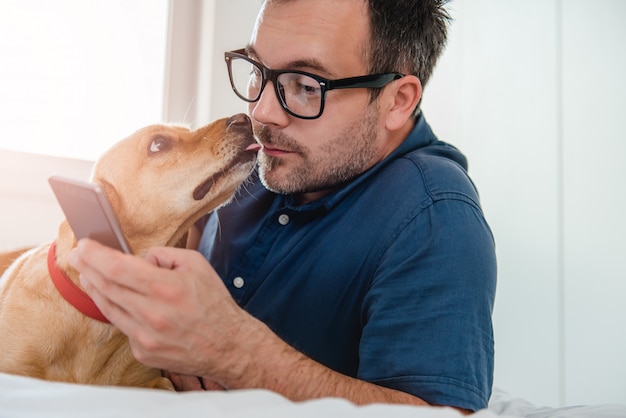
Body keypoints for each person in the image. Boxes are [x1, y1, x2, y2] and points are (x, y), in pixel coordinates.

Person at [69, 0, 496, 414]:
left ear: (397, 100)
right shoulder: (284, 153)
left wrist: (237, 354)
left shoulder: (437, 217)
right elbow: (201, 235)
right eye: (259, 72)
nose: (261, 111)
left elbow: (435, 415)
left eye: (307, 86)